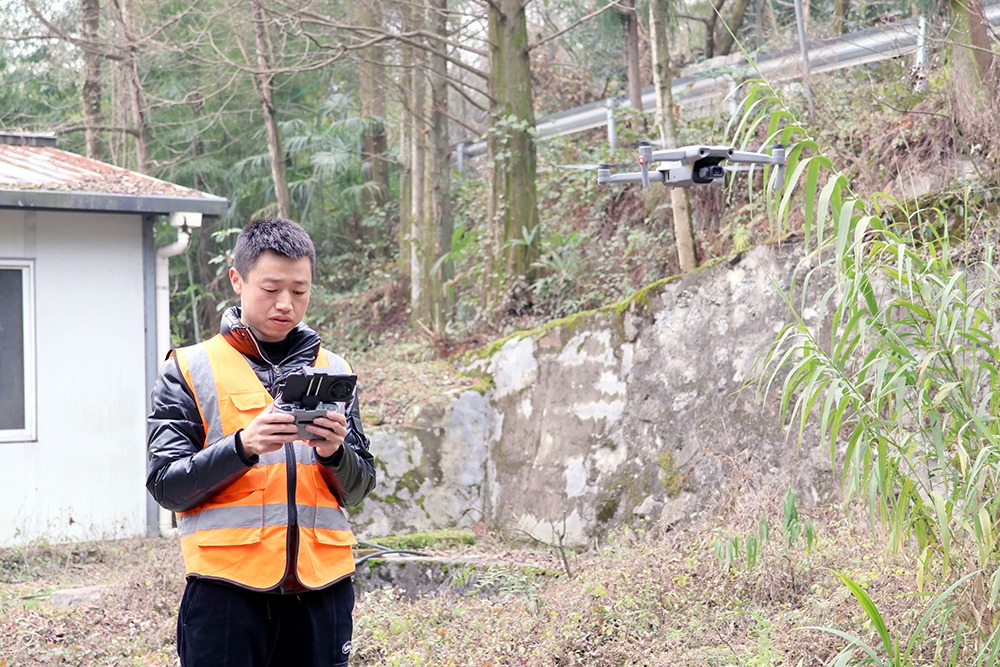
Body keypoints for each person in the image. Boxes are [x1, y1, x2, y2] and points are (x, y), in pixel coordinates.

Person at [146, 217, 376, 667]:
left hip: (322, 592)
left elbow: (361, 488)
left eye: (300, 290)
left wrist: (335, 453)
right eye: (271, 289)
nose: (286, 305)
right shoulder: (189, 368)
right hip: (225, 593)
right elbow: (167, 486)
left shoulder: (335, 368)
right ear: (237, 279)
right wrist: (243, 446)